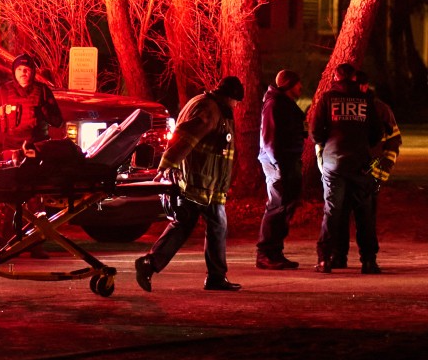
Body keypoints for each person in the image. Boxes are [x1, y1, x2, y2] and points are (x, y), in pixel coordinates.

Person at [135, 76, 244, 293]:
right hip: (199, 182)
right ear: (229, 97)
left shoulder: (206, 104)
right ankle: (214, 276)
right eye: (235, 101)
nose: (236, 106)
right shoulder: (210, 111)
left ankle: (152, 264)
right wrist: (166, 165)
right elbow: (185, 139)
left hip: (206, 183)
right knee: (211, 225)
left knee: (189, 225)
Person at [311, 63, 382, 274]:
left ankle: (325, 260)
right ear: (353, 79)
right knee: (364, 213)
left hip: (334, 163)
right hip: (360, 163)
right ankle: (369, 261)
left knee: (332, 211)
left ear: (335, 78)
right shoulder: (366, 100)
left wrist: (330, 143)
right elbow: (376, 133)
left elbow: (316, 132)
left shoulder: (328, 99)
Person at [328, 70, 401, 272]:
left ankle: (367, 259)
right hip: (351, 169)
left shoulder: (379, 109)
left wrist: (382, 172)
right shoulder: (356, 106)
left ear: (364, 86)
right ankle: (342, 256)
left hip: (368, 171)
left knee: (363, 217)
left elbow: (393, 141)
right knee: (345, 215)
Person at [256, 69, 307, 270]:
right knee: (277, 207)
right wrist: (280, 164)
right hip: (279, 163)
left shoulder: (284, 104)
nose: (300, 87)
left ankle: (275, 252)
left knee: (283, 207)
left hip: (286, 161)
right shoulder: (274, 105)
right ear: (288, 85)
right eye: (297, 83)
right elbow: (269, 138)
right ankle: (265, 253)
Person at [0, 53, 63, 161]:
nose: (23, 72)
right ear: (14, 71)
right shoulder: (5, 90)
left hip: (37, 148)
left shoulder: (43, 90)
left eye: (26, 69)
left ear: (33, 71)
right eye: (19, 69)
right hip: (11, 147)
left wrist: (43, 110)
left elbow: (58, 122)